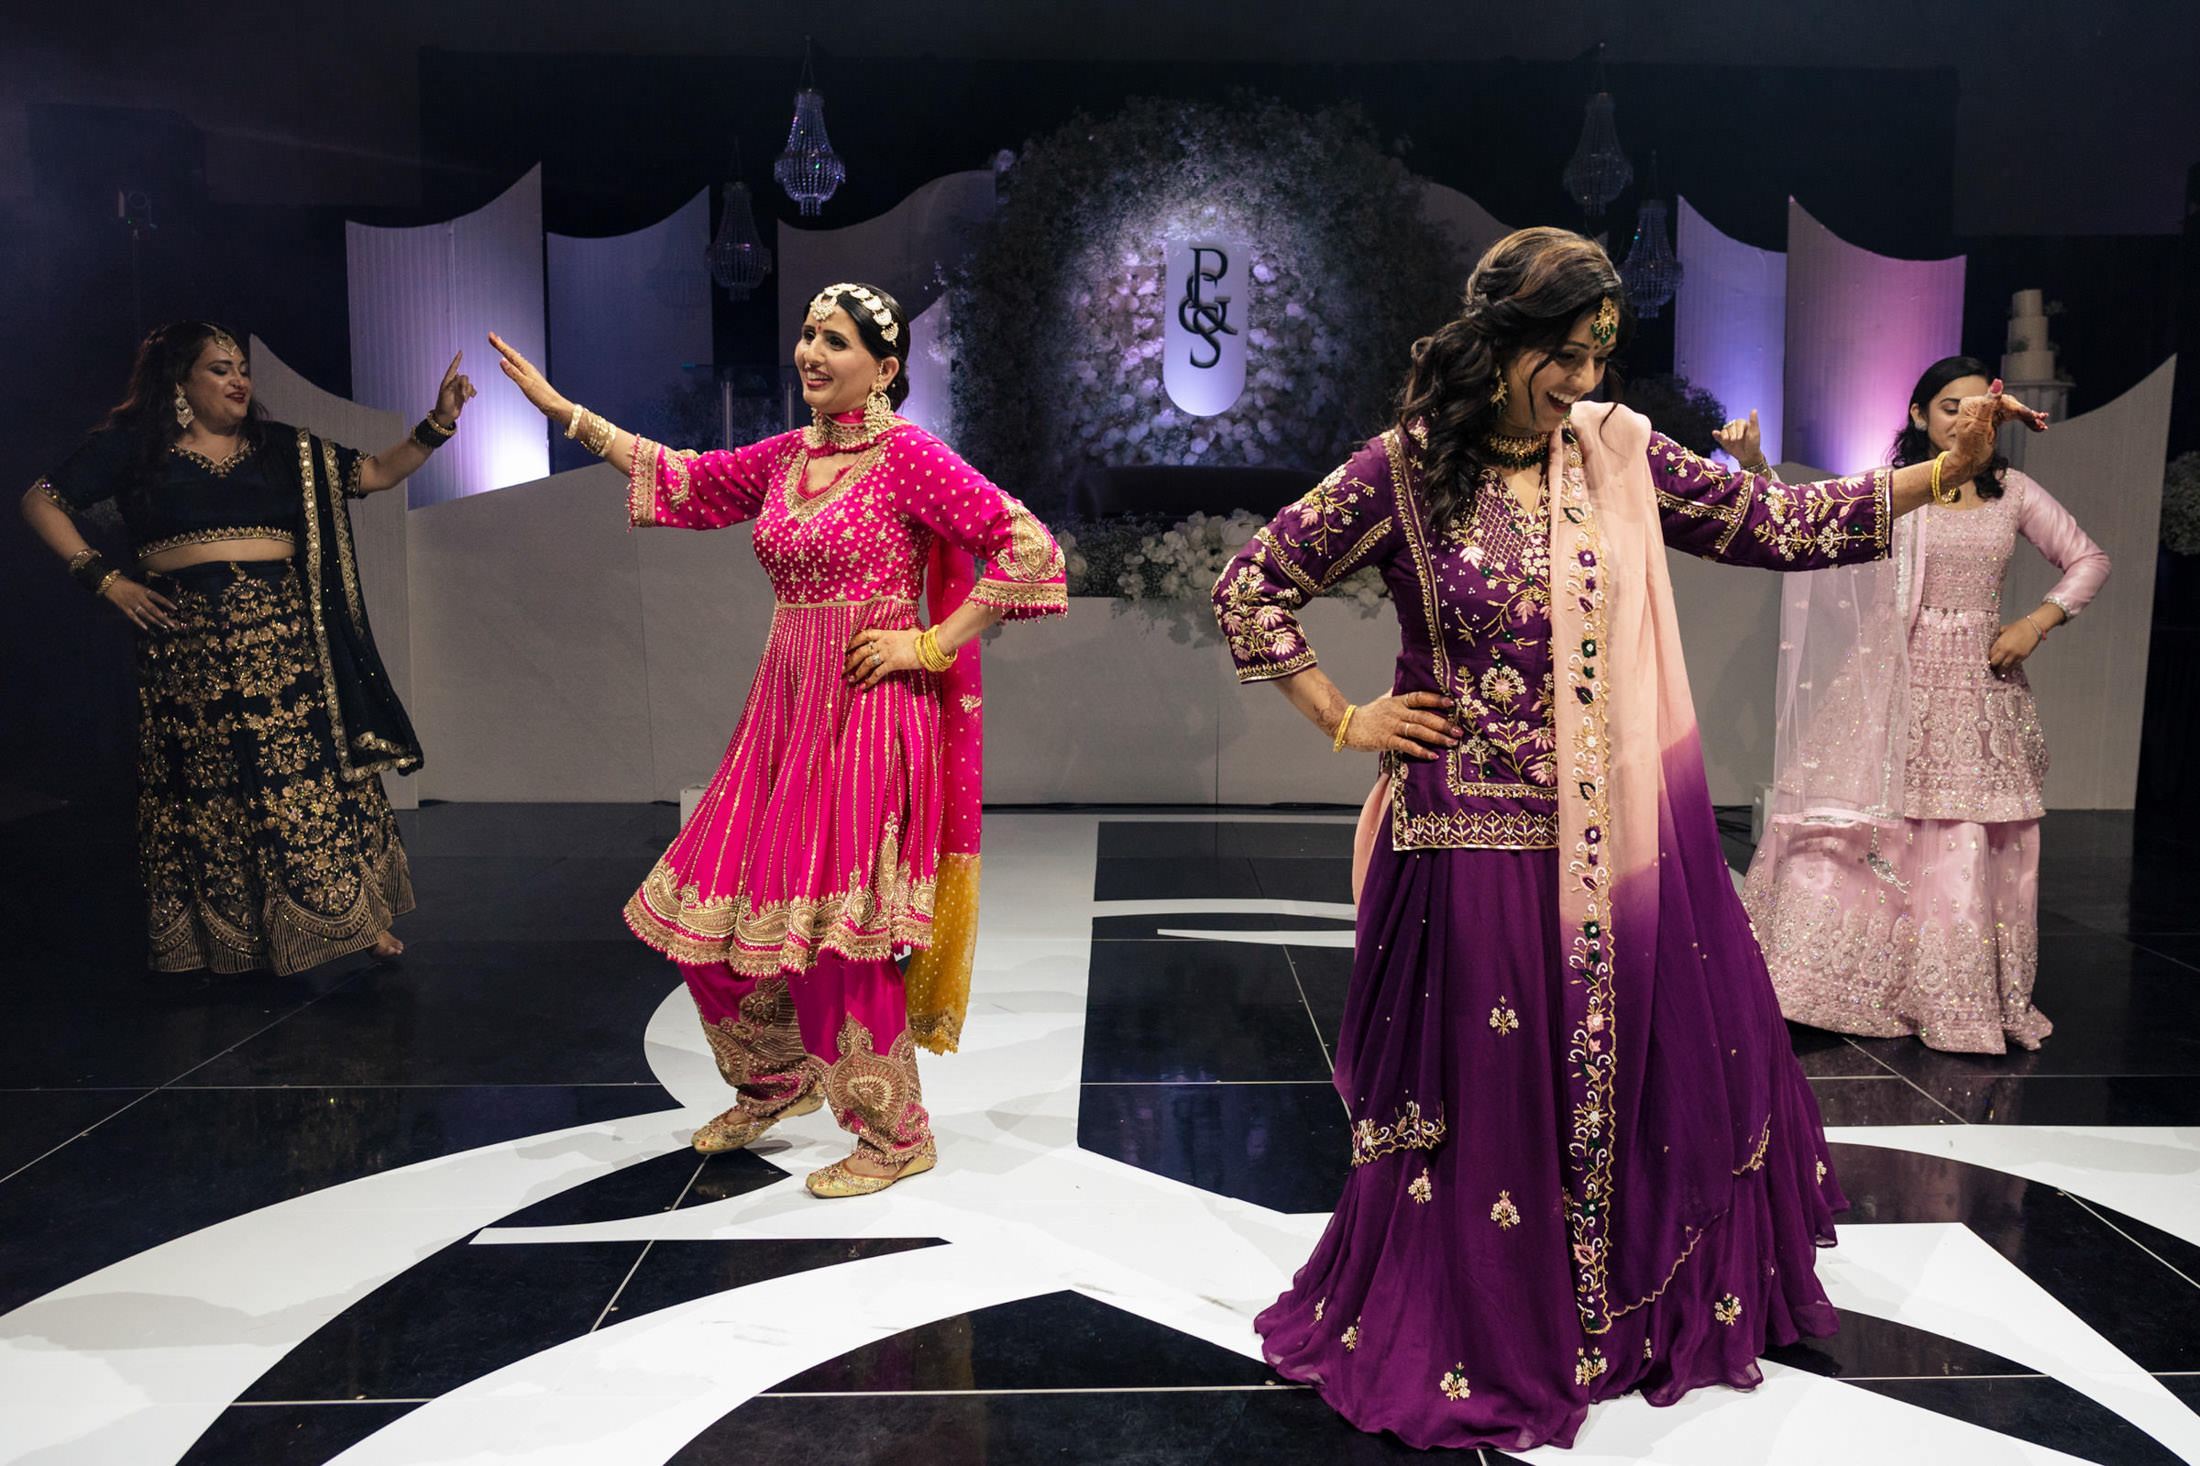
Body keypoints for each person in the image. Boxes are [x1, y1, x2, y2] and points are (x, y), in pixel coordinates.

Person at [1210, 229, 2042, 1451]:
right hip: (1460, 835)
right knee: (1487, 1097)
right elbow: (1252, 583)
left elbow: (1774, 522)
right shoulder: (1399, 469)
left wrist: (1936, 469)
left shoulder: (1613, 454)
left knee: (1617, 1076)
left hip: (1611, 831)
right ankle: (1488, 1318)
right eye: (1564, 352)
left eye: (1601, 352)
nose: (1583, 381)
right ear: (1502, 339)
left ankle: (1598, 1312)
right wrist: (1345, 716)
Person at [488, 282, 1066, 1198]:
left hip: (870, 717)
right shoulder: (790, 457)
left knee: (840, 933)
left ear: (884, 369)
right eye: (805, 335)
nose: (810, 354)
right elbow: (684, 477)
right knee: (699, 918)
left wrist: (929, 640)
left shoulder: (908, 456)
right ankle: (775, 1080)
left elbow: (1028, 547)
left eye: (833, 342)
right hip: (782, 710)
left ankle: (895, 1133)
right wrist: (570, 416)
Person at [19, 321, 463, 974]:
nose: (239, 380)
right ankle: (228, 936)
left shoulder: (281, 447)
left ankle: (355, 919)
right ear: (180, 383)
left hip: (282, 644)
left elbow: (372, 473)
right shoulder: (132, 451)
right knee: (212, 794)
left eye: (241, 369)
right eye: (220, 369)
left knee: (300, 784)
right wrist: (104, 579)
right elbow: (41, 501)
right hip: (186, 651)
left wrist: (438, 422)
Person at [1743, 355, 2108, 1053]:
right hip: (1893, 680)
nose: (1967, 421)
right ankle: (1836, 984)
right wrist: (1759, 468)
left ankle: (1949, 993)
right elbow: (1807, 526)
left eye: (1982, 410)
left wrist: (2037, 621)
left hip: (1978, 687)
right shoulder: (1896, 492)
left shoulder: (2015, 494)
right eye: (1951, 408)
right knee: (1869, 830)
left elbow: (2089, 559)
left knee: (1961, 838)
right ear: (1918, 415)